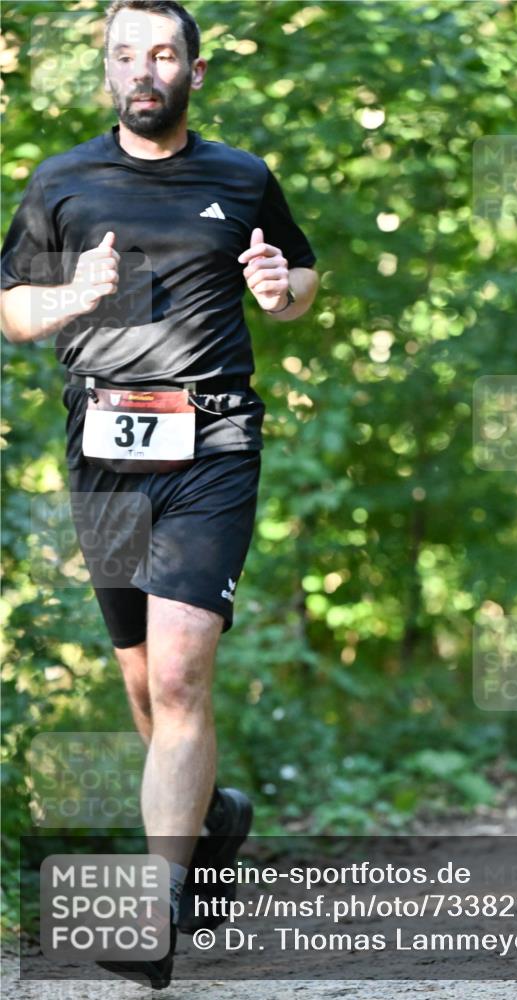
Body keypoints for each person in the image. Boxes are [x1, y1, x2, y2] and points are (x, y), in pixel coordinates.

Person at [0, 0, 319, 989]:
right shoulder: (62, 182)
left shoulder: (240, 174)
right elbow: (14, 312)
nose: (146, 69)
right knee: (141, 682)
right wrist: (77, 298)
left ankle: (155, 912)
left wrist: (279, 289)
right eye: (128, 54)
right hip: (103, 444)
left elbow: (298, 274)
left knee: (181, 675)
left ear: (195, 69)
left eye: (164, 53)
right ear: (107, 72)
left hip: (213, 436)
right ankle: (212, 819)